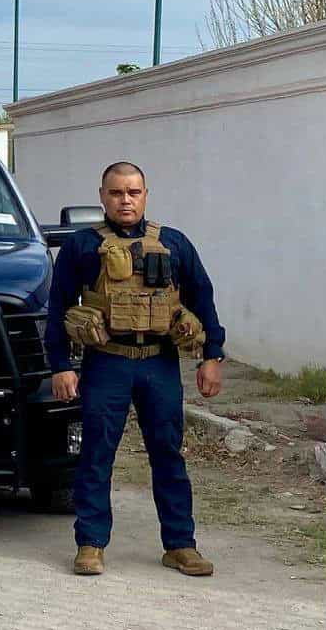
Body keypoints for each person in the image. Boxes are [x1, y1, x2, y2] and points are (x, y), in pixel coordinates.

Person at [47, 161, 225, 578]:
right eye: (116, 192)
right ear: (102, 196)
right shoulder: (81, 247)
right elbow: (58, 307)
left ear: (145, 195)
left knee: (167, 454)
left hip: (159, 363)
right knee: (96, 455)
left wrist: (211, 357)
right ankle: (90, 544)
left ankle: (180, 545)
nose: (125, 200)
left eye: (133, 192)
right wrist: (60, 365)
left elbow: (203, 298)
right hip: (107, 361)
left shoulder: (175, 243)